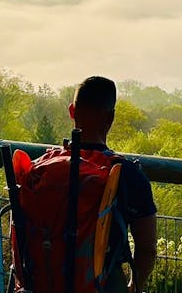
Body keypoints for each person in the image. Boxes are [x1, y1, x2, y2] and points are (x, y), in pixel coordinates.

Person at [69, 76, 157, 293]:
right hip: (104, 283)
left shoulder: (43, 168)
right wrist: (134, 286)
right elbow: (147, 249)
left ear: (72, 111)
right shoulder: (127, 175)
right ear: (111, 118)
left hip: (45, 279)